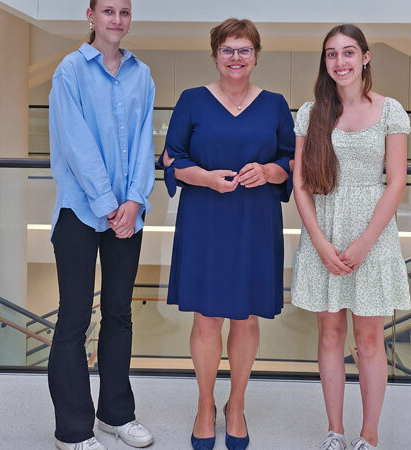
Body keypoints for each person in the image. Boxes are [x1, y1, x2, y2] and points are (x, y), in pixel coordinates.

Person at [160, 18, 295, 450]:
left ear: (256, 55)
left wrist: (269, 170)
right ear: (215, 54)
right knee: (207, 317)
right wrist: (204, 178)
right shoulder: (192, 101)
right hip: (205, 218)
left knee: (246, 317)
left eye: (244, 50)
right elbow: (171, 158)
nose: (236, 58)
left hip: (255, 221)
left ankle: (235, 405)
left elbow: (290, 161)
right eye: (227, 50)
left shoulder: (274, 104)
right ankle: (205, 405)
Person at [290, 24, 411, 450]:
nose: (339, 62)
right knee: (329, 335)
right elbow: (301, 183)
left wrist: (363, 243)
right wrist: (321, 243)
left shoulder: (390, 110)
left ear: (365, 57)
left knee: (368, 340)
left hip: (372, 235)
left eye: (347, 53)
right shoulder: (310, 112)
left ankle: (369, 434)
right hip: (325, 230)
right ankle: (335, 431)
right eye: (330, 54)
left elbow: (395, 183)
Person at [46, 0, 155, 449]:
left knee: (119, 314)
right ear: (89, 16)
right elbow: (76, 143)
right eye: (108, 10)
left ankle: (116, 414)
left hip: (126, 213)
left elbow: (145, 141)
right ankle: (72, 430)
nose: (117, 19)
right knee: (73, 318)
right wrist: (109, 203)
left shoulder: (141, 75)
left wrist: (134, 200)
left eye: (124, 12)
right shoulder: (69, 71)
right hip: (78, 210)